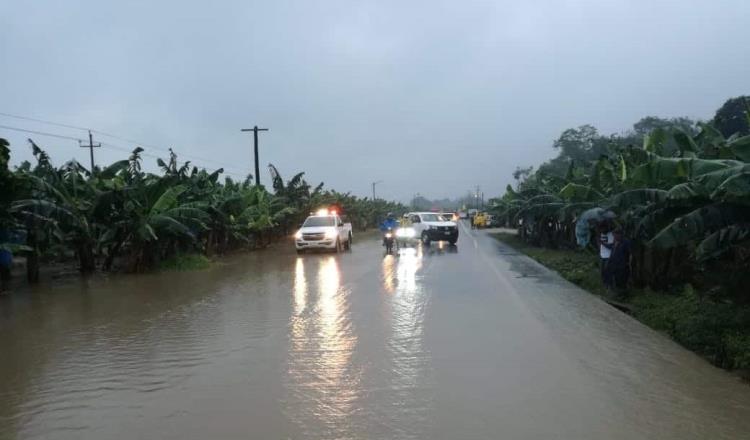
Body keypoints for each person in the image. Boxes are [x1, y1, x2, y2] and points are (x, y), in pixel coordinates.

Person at [607, 228, 632, 296]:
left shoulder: (626, 242)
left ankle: (624, 293)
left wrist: (629, 263)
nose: (614, 237)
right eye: (613, 235)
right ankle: (616, 291)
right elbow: (611, 249)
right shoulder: (615, 241)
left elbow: (630, 253)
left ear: (620, 234)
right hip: (614, 263)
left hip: (622, 264)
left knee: (622, 279)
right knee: (614, 277)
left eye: (615, 235)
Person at [597, 222, 614, 289]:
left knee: (608, 271)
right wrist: (599, 243)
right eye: (601, 229)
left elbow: (611, 246)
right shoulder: (600, 235)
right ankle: (604, 285)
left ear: (606, 228)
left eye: (603, 228)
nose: (602, 230)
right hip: (602, 256)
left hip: (608, 256)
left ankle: (609, 285)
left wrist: (602, 243)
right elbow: (599, 247)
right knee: (602, 272)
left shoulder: (610, 235)